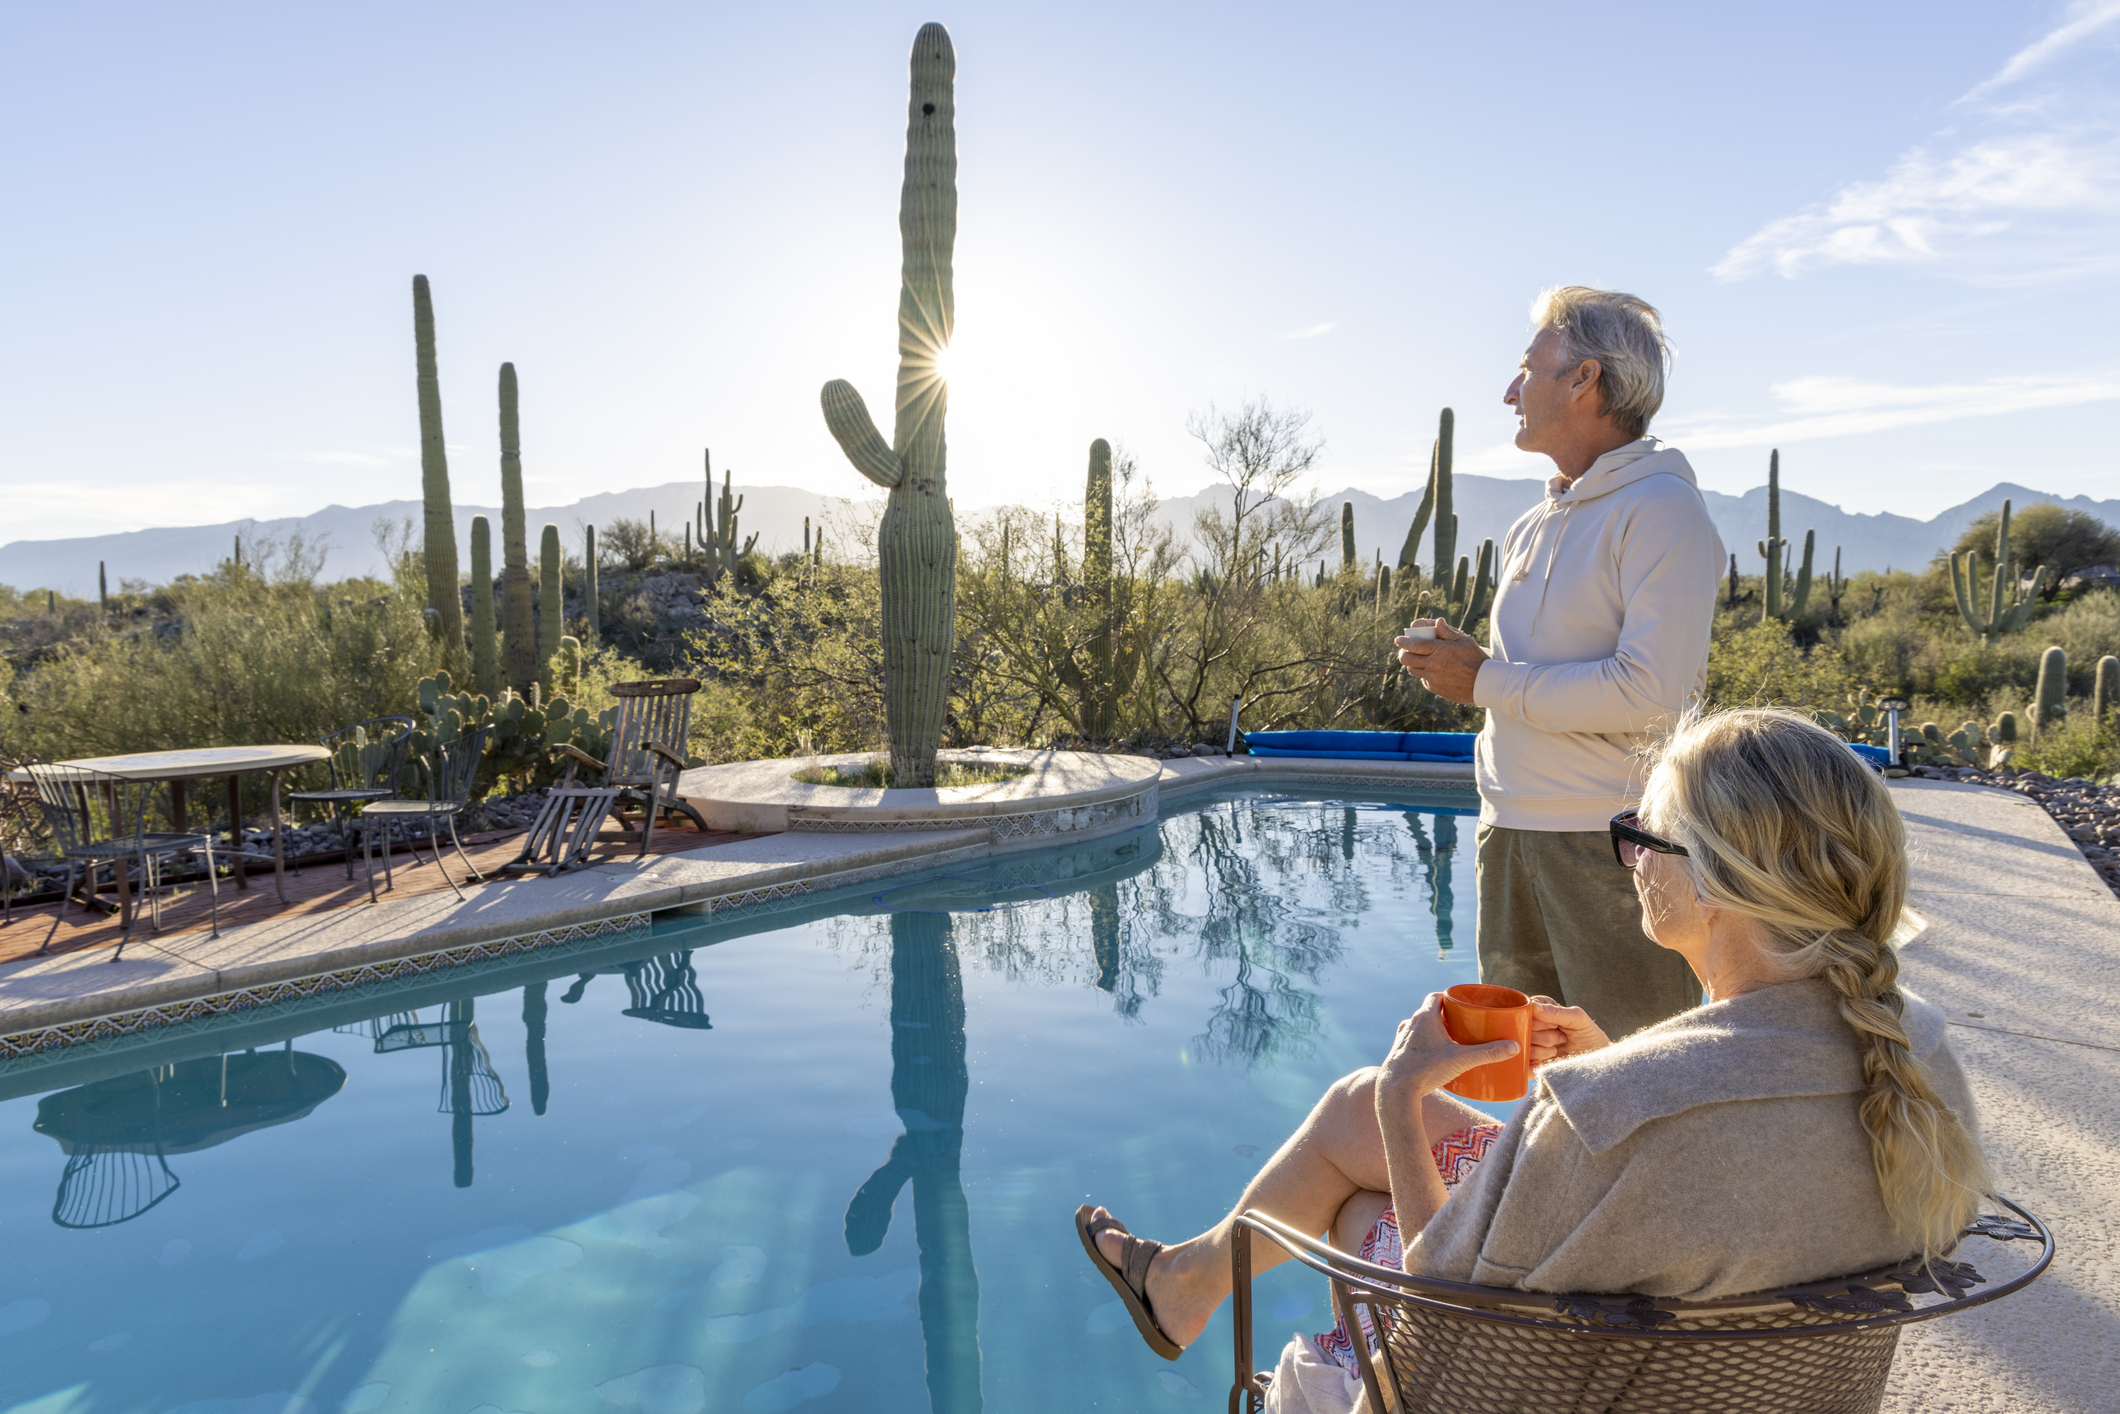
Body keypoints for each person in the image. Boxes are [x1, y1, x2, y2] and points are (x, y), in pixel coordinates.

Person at [1076, 710, 1988, 1410]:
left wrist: (1405, 1096)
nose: (1629, 857)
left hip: (1561, 1377)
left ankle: (1186, 1285)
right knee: (1357, 1138)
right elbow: (1726, 1158)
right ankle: (1186, 1282)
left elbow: (1439, 1362)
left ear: (1716, 883)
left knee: (1366, 1166)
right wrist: (1622, 1061)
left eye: (1644, 834)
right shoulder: (1918, 1055)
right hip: (1727, 1372)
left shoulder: (1612, 1114)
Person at [1396, 287, 1724, 1040]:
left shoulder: (1661, 509)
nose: (1510, 392)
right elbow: (1529, 676)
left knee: (1632, 1082)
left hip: (1609, 846)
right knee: (1514, 1075)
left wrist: (1481, 679)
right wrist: (1469, 668)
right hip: (1508, 832)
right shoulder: (1532, 524)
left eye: (1526, 369)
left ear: (1585, 379)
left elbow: (1653, 695)